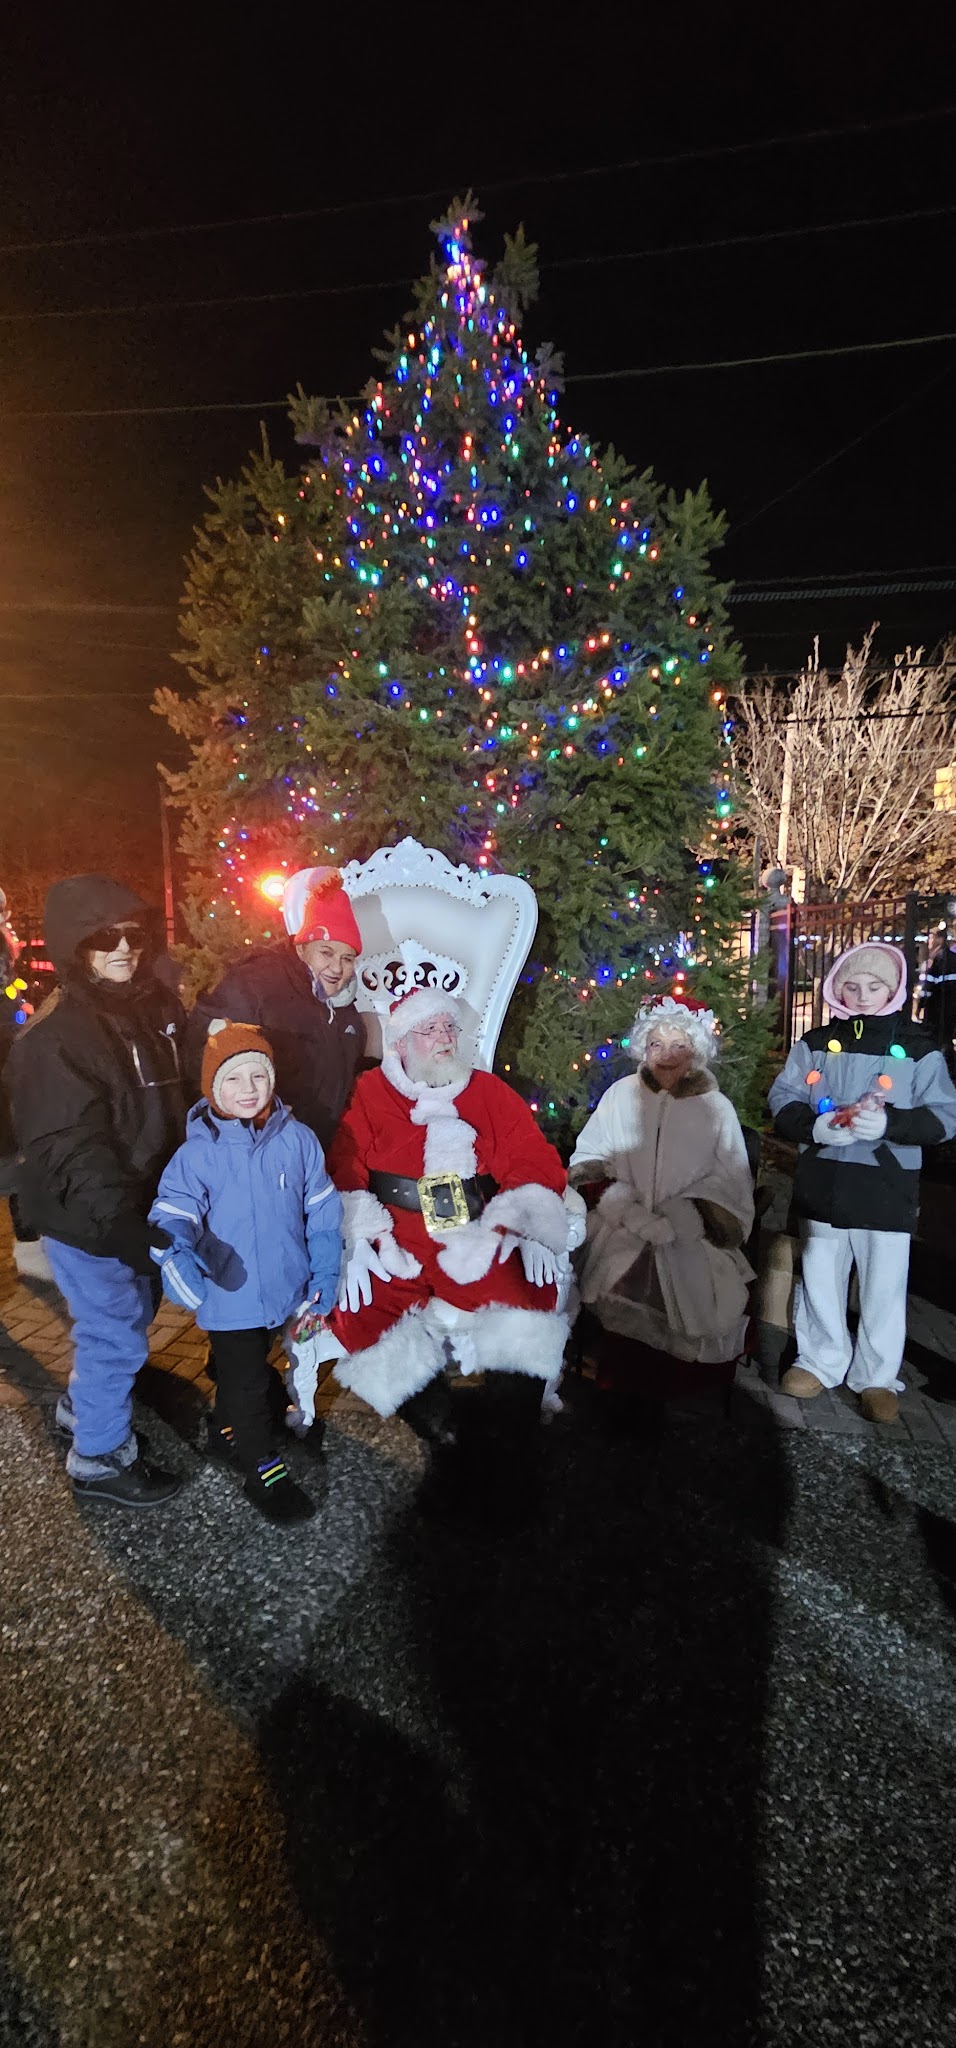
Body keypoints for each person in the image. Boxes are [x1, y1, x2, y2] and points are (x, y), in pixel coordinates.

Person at [285, 987, 570, 1462]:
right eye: (428, 1029)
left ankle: (514, 1426)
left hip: (473, 1234)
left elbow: (530, 1157)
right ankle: (444, 1427)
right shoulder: (371, 1093)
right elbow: (345, 1167)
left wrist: (530, 1218)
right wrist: (354, 1235)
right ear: (399, 1043)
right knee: (363, 1313)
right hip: (397, 1236)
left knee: (523, 1299)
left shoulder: (488, 1090)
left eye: (449, 1027)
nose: (443, 1038)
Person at [6, 876, 186, 1505]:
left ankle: (84, 1411)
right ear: (73, 946)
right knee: (113, 1330)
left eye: (133, 935)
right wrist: (121, 1225)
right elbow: (69, 1145)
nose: (123, 948)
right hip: (88, 1217)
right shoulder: (56, 1036)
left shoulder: (154, 1006)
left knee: (126, 1317)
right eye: (103, 937)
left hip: (139, 1203)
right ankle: (100, 1456)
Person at [149, 1019, 343, 1524]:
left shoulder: (296, 1140)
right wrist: (174, 1252)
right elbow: (174, 1212)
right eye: (232, 1079)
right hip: (228, 1293)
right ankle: (264, 1473)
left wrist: (323, 1275)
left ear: (272, 1080)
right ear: (212, 1086)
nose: (247, 1090)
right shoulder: (197, 1155)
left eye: (257, 1076)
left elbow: (322, 1211)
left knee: (254, 1371)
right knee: (248, 1384)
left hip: (283, 1287)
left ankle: (223, 1432)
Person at [768, 940, 956, 1423]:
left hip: (886, 1187)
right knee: (821, 1276)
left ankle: (875, 1376)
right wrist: (812, 1126)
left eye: (875, 986)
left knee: (884, 1284)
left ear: (893, 988)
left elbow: (945, 1115)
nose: (862, 995)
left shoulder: (919, 1048)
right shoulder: (813, 1043)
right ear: (837, 987)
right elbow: (784, 1096)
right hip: (825, 1180)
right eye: (851, 985)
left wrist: (891, 1124)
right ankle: (821, 1359)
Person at [568, 996, 755, 1409]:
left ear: (696, 1051)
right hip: (622, 1223)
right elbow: (589, 1157)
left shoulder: (716, 1108)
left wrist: (688, 1217)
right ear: (642, 1048)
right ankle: (618, 1388)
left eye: (678, 1046)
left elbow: (731, 1177)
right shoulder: (621, 1095)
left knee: (698, 1293)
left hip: (691, 1232)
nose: (666, 1056)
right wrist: (621, 1205)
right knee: (615, 1280)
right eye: (656, 1044)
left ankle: (683, 1394)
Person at [186, 868, 364, 1153]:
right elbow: (202, 1055)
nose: (337, 968)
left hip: (313, 1155)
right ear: (303, 948)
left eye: (348, 958)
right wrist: (250, 1125)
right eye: (326, 953)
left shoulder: (346, 1012)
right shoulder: (256, 984)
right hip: (255, 1150)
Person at [919, 930, 956, 1074]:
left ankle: (946, 1068)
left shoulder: (938, 959)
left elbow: (928, 985)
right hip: (950, 1005)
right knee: (946, 1037)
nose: (930, 941)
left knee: (939, 1038)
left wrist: (920, 1006)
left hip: (939, 1006)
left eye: (932, 938)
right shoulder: (952, 958)